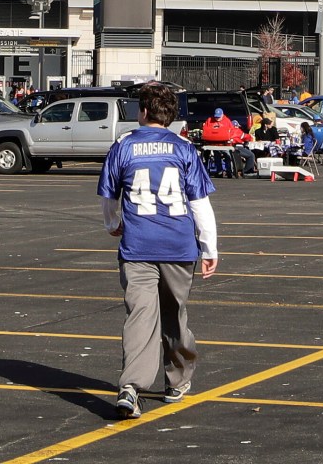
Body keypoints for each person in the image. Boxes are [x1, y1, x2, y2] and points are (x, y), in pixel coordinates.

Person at [98, 82, 220, 419]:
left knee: (140, 316)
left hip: (137, 244)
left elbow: (109, 196)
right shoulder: (184, 148)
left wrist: (112, 223)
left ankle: (132, 385)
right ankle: (172, 379)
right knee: (174, 315)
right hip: (178, 247)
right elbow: (199, 203)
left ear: (143, 111)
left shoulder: (123, 145)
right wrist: (209, 246)